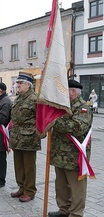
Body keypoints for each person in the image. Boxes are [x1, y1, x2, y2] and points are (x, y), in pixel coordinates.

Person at [48, 80, 93, 217]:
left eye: (63, 89)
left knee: (76, 187)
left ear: (72, 91)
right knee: (61, 186)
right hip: (59, 153)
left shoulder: (82, 107)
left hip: (74, 155)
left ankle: (76, 213)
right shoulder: (63, 106)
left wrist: (54, 120)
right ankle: (64, 210)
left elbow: (78, 127)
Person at [9, 72, 41, 202]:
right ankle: (21, 187)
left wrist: (36, 132)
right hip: (17, 136)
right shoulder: (19, 98)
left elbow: (40, 119)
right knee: (19, 165)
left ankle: (30, 191)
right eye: (18, 83)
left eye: (21, 83)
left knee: (29, 166)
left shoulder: (34, 98)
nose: (18, 85)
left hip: (29, 137)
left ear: (28, 85)